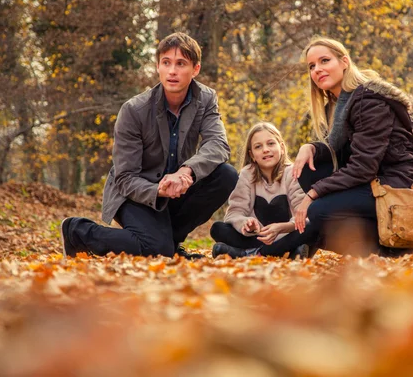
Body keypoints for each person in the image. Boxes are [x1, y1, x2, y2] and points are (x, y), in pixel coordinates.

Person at [60, 32, 238, 259]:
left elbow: (218, 144)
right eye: (166, 63)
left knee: (226, 175)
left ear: (195, 69)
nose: (172, 71)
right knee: (156, 249)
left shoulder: (206, 99)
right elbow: (125, 178)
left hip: (175, 187)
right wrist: (158, 190)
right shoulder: (134, 110)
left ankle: (170, 242)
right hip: (134, 193)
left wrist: (187, 171)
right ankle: (77, 231)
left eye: (181, 64)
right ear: (158, 67)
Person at [292, 36, 413, 257]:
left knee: (319, 211)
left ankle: (396, 250)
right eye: (312, 66)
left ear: (344, 62)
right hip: (373, 182)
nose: (317, 69)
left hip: (398, 182)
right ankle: (369, 246)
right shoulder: (336, 107)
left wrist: (313, 193)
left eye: (324, 61)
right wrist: (311, 147)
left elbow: (362, 167)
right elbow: (338, 153)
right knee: (308, 170)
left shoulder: (368, 100)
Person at [211, 122, 316, 259]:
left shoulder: (293, 173)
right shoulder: (247, 174)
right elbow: (234, 213)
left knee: (312, 226)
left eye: (271, 144)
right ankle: (281, 253)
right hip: (257, 237)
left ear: (282, 147)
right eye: (258, 147)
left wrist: (283, 227)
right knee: (217, 229)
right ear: (252, 155)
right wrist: (246, 224)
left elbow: (303, 215)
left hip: (286, 234)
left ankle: (248, 253)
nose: (265, 149)